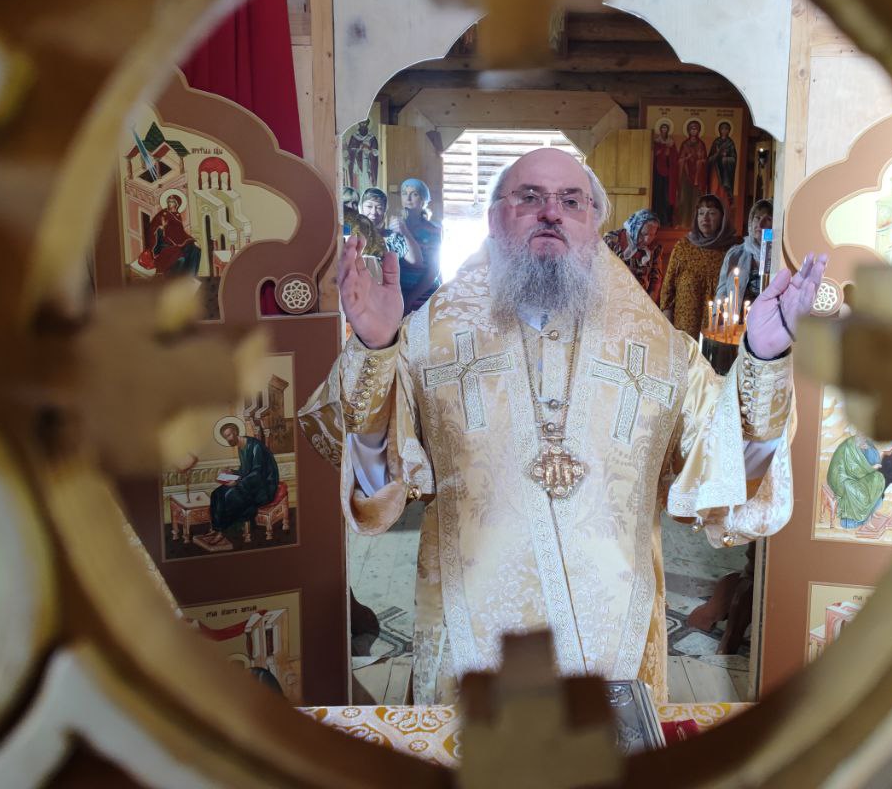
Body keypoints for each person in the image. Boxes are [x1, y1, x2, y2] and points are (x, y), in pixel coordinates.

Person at [299, 147, 825, 703]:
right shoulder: (430, 341)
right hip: (470, 634)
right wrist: (376, 347)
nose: (551, 211)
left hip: (614, 640)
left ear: (594, 226)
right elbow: (374, 476)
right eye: (529, 197)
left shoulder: (663, 354)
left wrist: (764, 358)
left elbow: (729, 468)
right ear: (493, 218)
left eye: (572, 201)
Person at [659, 194, 740, 339]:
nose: (705, 218)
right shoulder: (683, 246)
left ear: (723, 217)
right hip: (684, 327)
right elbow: (668, 286)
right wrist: (667, 321)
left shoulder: (733, 250)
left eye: (712, 213)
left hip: (717, 327)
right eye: (701, 213)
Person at [195, 420, 281, 549]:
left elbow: (257, 473)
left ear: (235, 432)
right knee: (216, 494)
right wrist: (232, 472)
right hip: (250, 484)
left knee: (229, 496)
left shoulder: (255, 446)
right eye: (225, 437)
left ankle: (222, 532)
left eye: (229, 435)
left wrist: (238, 481)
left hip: (264, 488)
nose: (228, 439)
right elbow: (246, 471)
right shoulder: (241, 446)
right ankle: (216, 528)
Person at [716, 199, 773, 310]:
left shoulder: (779, 257)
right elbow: (722, 289)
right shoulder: (735, 254)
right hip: (738, 317)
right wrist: (716, 313)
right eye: (757, 218)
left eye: (768, 219)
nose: (760, 224)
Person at [396, 178, 442, 315]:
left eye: (414, 194)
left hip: (423, 295)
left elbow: (434, 270)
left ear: (423, 200)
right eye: (404, 193)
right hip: (397, 295)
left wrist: (410, 299)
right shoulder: (395, 227)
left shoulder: (433, 230)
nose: (408, 198)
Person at [603, 208, 663, 299]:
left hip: (641, 300)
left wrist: (649, 304)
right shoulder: (611, 240)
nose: (647, 240)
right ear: (635, 228)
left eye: (651, 235)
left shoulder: (654, 248)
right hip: (612, 297)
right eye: (643, 233)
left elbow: (656, 280)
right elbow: (601, 272)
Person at [139, 192, 201, 276]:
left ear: (177, 204)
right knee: (179, 253)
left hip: (177, 242)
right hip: (164, 244)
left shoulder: (177, 215)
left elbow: (181, 233)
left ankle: (191, 275)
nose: (169, 203)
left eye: (172, 202)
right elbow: (152, 229)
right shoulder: (163, 214)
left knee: (195, 249)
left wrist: (193, 241)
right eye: (168, 201)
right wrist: (160, 229)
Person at [360, 188, 423, 269]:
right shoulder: (353, 235)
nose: (373, 212)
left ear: (385, 211)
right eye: (369, 206)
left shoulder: (392, 238)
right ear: (360, 208)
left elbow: (417, 261)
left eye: (379, 208)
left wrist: (405, 232)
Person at [676, 119, 707, 224]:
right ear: (688, 130)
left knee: (696, 200)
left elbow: (705, 160)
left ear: (698, 131)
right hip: (686, 175)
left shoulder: (701, 144)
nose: (694, 131)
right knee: (685, 199)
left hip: (698, 177)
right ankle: (684, 222)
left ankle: (695, 223)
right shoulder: (685, 144)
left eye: (696, 129)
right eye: (692, 129)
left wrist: (700, 160)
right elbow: (680, 160)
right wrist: (686, 158)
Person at [651, 121, 677, 225]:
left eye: (666, 128)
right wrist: (662, 151)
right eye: (662, 128)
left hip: (668, 173)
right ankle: (656, 217)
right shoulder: (657, 142)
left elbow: (674, 157)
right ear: (660, 130)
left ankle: (667, 219)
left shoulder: (671, 143)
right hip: (658, 172)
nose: (664, 130)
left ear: (668, 130)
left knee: (667, 195)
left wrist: (668, 154)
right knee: (658, 194)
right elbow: (654, 154)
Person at [707, 120, 738, 202]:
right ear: (719, 130)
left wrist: (726, 158)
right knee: (714, 189)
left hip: (725, 172)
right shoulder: (716, 142)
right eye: (722, 129)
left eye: (726, 129)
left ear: (729, 131)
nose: (724, 131)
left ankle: (724, 205)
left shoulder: (730, 143)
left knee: (723, 192)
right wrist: (717, 154)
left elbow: (734, 159)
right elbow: (709, 158)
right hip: (715, 170)